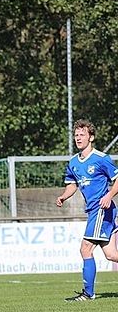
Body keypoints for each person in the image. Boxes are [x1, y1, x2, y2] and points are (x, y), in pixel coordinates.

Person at [55, 119, 118, 301]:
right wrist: (63, 196)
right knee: (111, 255)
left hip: (102, 209)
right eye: (76, 135)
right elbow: (72, 184)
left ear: (91, 137)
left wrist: (108, 196)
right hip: (93, 211)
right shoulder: (74, 162)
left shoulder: (101, 158)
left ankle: (88, 294)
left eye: (82, 134)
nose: (78, 138)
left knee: (85, 249)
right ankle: (88, 293)